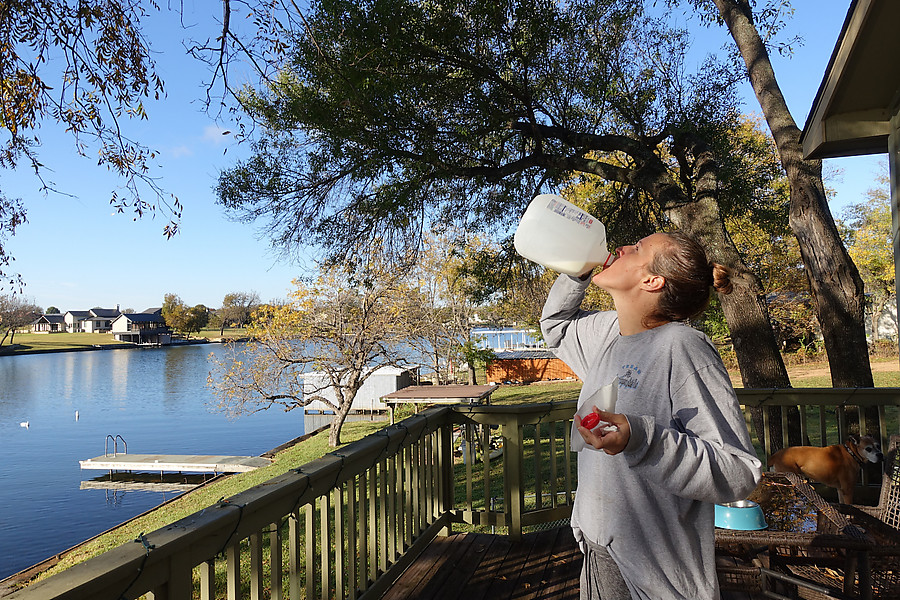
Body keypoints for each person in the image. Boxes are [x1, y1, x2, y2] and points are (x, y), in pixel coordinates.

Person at [540, 230, 762, 600]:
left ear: (652, 280)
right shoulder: (609, 334)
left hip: (657, 574)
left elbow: (738, 472)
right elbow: (557, 328)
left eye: (638, 248)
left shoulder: (682, 347)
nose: (623, 247)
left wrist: (642, 438)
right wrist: (577, 272)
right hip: (598, 547)